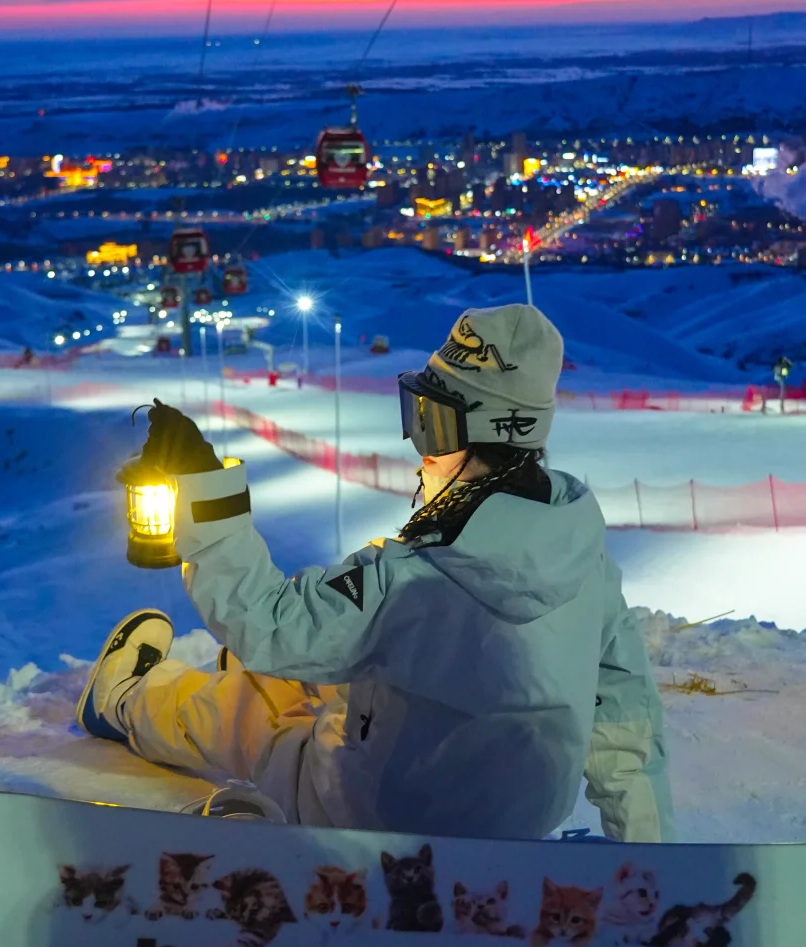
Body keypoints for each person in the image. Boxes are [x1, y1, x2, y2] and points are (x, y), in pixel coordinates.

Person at [77, 304, 673, 843]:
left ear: (486, 430)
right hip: (514, 816)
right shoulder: (582, 555)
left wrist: (205, 490)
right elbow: (625, 712)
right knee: (324, 664)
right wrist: (650, 858)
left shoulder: (414, 577)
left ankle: (125, 701)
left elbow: (264, 624)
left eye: (435, 424)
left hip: (383, 820)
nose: (422, 446)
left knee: (255, 700)